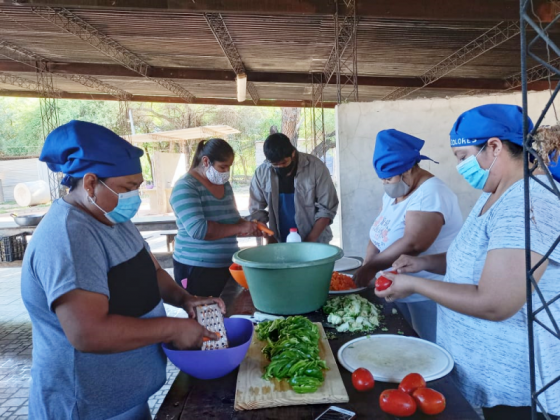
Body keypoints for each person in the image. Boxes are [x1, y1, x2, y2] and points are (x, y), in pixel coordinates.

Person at [21, 121, 224, 420]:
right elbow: (87, 333)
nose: (135, 197)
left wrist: (185, 299)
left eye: (137, 187)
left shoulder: (112, 218)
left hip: (126, 400)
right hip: (88, 408)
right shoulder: (70, 236)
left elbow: (151, 271)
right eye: (127, 188)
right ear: (90, 183)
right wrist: (172, 328)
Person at [376, 105, 560, 420]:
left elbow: (495, 303)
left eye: (463, 157)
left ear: (494, 147)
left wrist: (414, 284)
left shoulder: (528, 203)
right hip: (490, 372)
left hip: (520, 384)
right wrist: (424, 264)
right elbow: (477, 260)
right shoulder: (497, 193)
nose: (461, 167)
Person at [353, 129, 462, 342]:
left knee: (430, 346)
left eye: (390, 178)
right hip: (397, 288)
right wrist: (368, 262)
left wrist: (371, 267)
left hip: (427, 293)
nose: (386, 184)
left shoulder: (431, 192)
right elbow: (378, 232)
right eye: (382, 179)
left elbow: (414, 243)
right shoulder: (396, 193)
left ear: (409, 169)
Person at [170, 138, 259, 297]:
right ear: (206, 161)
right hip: (197, 269)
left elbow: (232, 220)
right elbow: (199, 230)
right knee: (204, 317)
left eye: (229, 167)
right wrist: (240, 227)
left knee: (227, 312)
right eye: (222, 167)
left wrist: (250, 227)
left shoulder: (224, 185)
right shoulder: (186, 186)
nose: (226, 172)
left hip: (227, 265)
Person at [249, 133, 339, 243]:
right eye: (275, 164)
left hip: (315, 241)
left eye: (283, 163)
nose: (280, 167)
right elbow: (256, 211)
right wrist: (269, 236)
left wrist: (309, 242)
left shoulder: (315, 167)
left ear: (292, 153)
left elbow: (327, 209)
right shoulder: (261, 173)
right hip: (278, 241)